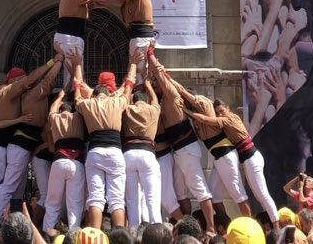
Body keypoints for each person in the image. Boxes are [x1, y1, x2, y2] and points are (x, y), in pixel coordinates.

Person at [146, 53, 216, 234]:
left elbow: (162, 76)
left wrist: (151, 56)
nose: (154, 85)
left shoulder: (171, 96)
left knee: (199, 187)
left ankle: (210, 228)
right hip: (177, 151)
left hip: (186, 148)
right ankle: (186, 228)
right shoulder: (161, 102)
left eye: (155, 83)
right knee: (181, 192)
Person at [184, 99, 280, 223]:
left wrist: (187, 112)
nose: (219, 114)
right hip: (246, 159)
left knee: (261, 194)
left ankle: (275, 225)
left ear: (228, 109)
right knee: (219, 195)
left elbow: (207, 120)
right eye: (217, 112)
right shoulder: (224, 123)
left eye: (221, 111)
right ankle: (225, 225)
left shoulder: (230, 119)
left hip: (251, 158)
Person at [72, 56, 138, 231]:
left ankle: (94, 236)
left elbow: (77, 93)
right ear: (109, 91)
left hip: (94, 153)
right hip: (115, 153)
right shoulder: (118, 101)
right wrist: (133, 64)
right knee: (116, 198)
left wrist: (77, 74)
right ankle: (119, 238)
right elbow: (129, 84)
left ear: (95, 92)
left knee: (95, 197)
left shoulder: (87, 104)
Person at [0, 60, 60, 226]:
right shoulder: (32, 95)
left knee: (17, 190)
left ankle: (13, 223)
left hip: (23, 148)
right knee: (9, 185)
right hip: (19, 147)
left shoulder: (27, 95)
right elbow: (48, 79)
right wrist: (58, 61)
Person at [41, 87, 87, 235]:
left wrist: (60, 96)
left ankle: (47, 236)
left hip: (58, 162)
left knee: (52, 202)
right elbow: (81, 104)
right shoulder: (78, 118)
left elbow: (51, 110)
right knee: (75, 204)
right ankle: (73, 237)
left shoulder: (55, 118)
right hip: (76, 163)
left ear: (61, 110)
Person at [85, 0, 156, 67]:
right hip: (137, 37)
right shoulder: (128, 0)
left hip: (141, 37)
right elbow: (104, 1)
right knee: (138, 70)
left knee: (139, 71)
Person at [122, 75, 163, 226]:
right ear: (145, 100)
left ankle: (134, 233)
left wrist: (129, 86)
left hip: (129, 154)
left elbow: (123, 99)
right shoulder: (153, 110)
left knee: (132, 199)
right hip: (147, 154)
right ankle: (157, 233)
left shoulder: (127, 109)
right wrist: (149, 86)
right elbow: (155, 101)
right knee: (152, 197)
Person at [54, 0, 92, 82]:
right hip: (71, 37)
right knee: (76, 72)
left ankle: (70, 93)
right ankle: (73, 96)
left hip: (66, 36)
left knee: (70, 71)